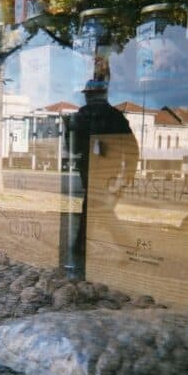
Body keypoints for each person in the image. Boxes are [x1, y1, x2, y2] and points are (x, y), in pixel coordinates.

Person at [65, 79, 139, 276]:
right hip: (106, 171)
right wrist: (129, 171)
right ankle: (83, 245)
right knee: (96, 207)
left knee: (97, 208)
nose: (90, 98)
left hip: (95, 171)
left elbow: (70, 147)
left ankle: (85, 245)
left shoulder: (81, 116)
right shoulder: (115, 116)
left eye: (90, 95)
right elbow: (131, 147)